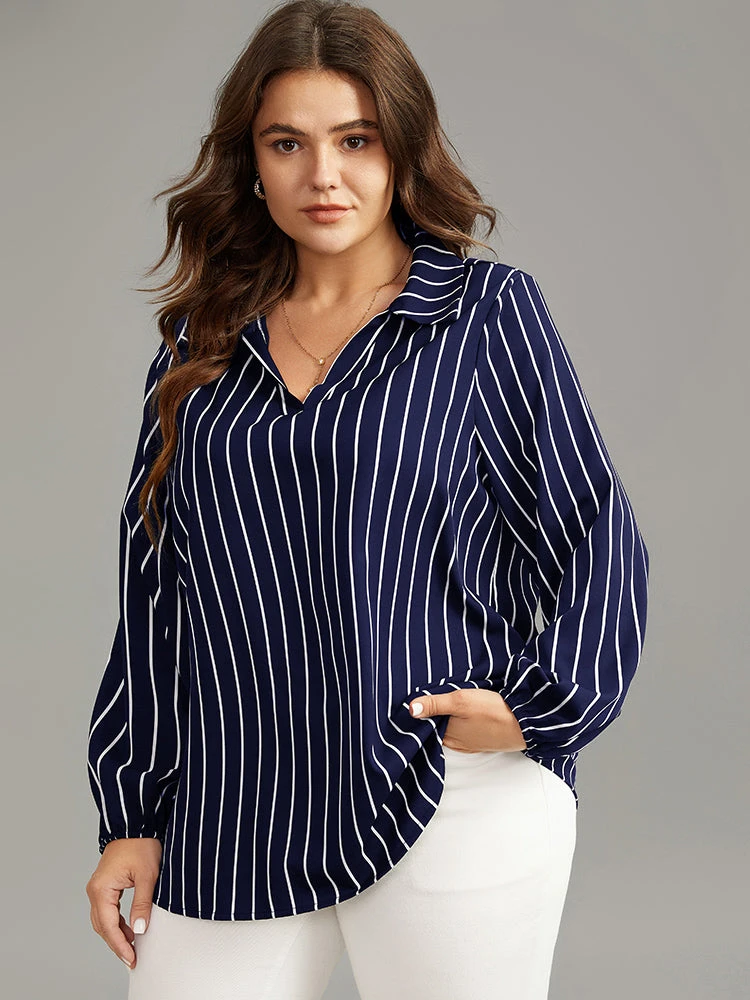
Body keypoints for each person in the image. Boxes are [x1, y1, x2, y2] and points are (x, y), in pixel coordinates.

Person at [85, 1, 650, 997]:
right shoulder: (198, 348)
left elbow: (593, 530)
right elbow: (157, 593)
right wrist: (131, 813)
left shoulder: (486, 317)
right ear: (251, 164)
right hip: (235, 808)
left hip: (445, 791)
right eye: (287, 143)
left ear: (401, 149)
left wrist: (536, 709)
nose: (323, 175)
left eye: (355, 139)